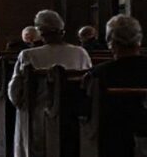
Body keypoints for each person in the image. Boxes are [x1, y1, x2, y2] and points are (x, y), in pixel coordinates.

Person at [84, 15, 147, 157]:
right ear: (139, 40)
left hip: (112, 136)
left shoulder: (100, 73)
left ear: (110, 42)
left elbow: (87, 108)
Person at [8, 10, 92, 157]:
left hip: (38, 118)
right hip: (74, 118)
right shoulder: (80, 53)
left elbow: (15, 94)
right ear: (62, 31)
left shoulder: (28, 55)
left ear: (40, 32)